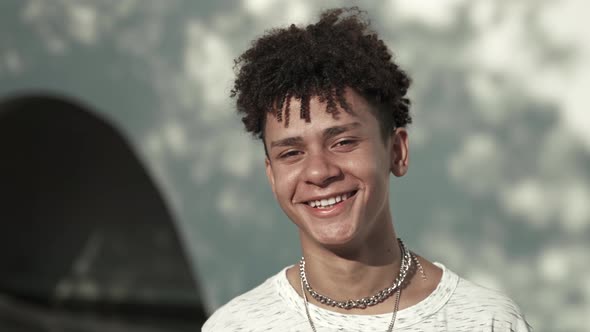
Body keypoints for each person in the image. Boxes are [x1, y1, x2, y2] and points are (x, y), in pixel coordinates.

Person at [203, 7, 530, 332]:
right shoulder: (235, 326)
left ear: (397, 151)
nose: (318, 171)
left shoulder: (488, 321)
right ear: (272, 175)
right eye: (291, 152)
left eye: (343, 142)